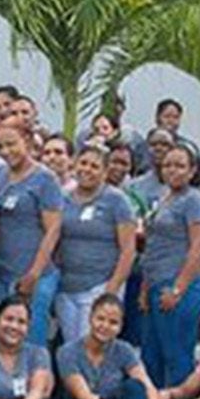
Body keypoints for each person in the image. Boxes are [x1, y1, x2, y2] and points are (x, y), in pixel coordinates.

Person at [137, 142, 200, 388]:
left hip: (182, 286)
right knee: (151, 355)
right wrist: (146, 288)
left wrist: (178, 289)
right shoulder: (163, 198)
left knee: (177, 356)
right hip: (156, 284)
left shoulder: (194, 200)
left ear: (192, 171)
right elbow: (153, 245)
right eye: (168, 165)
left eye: (180, 165)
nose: (173, 170)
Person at [52, 145, 139, 347]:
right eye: (83, 163)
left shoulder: (117, 201)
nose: (87, 169)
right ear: (74, 164)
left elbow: (128, 250)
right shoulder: (63, 198)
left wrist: (111, 290)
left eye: (94, 166)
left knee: (92, 349)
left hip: (99, 286)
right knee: (70, 349)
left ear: (105, 171)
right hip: (67, 287)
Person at [0, 123, 65, 348]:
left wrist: (34, 273)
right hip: (2, 273)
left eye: (11, 144)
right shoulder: (0, 175)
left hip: (34, 276)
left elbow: (53, 230)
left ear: (28, 141)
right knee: (1, 341)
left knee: (32, 342)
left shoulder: (45, 179)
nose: (5, 152)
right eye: (0, 146)